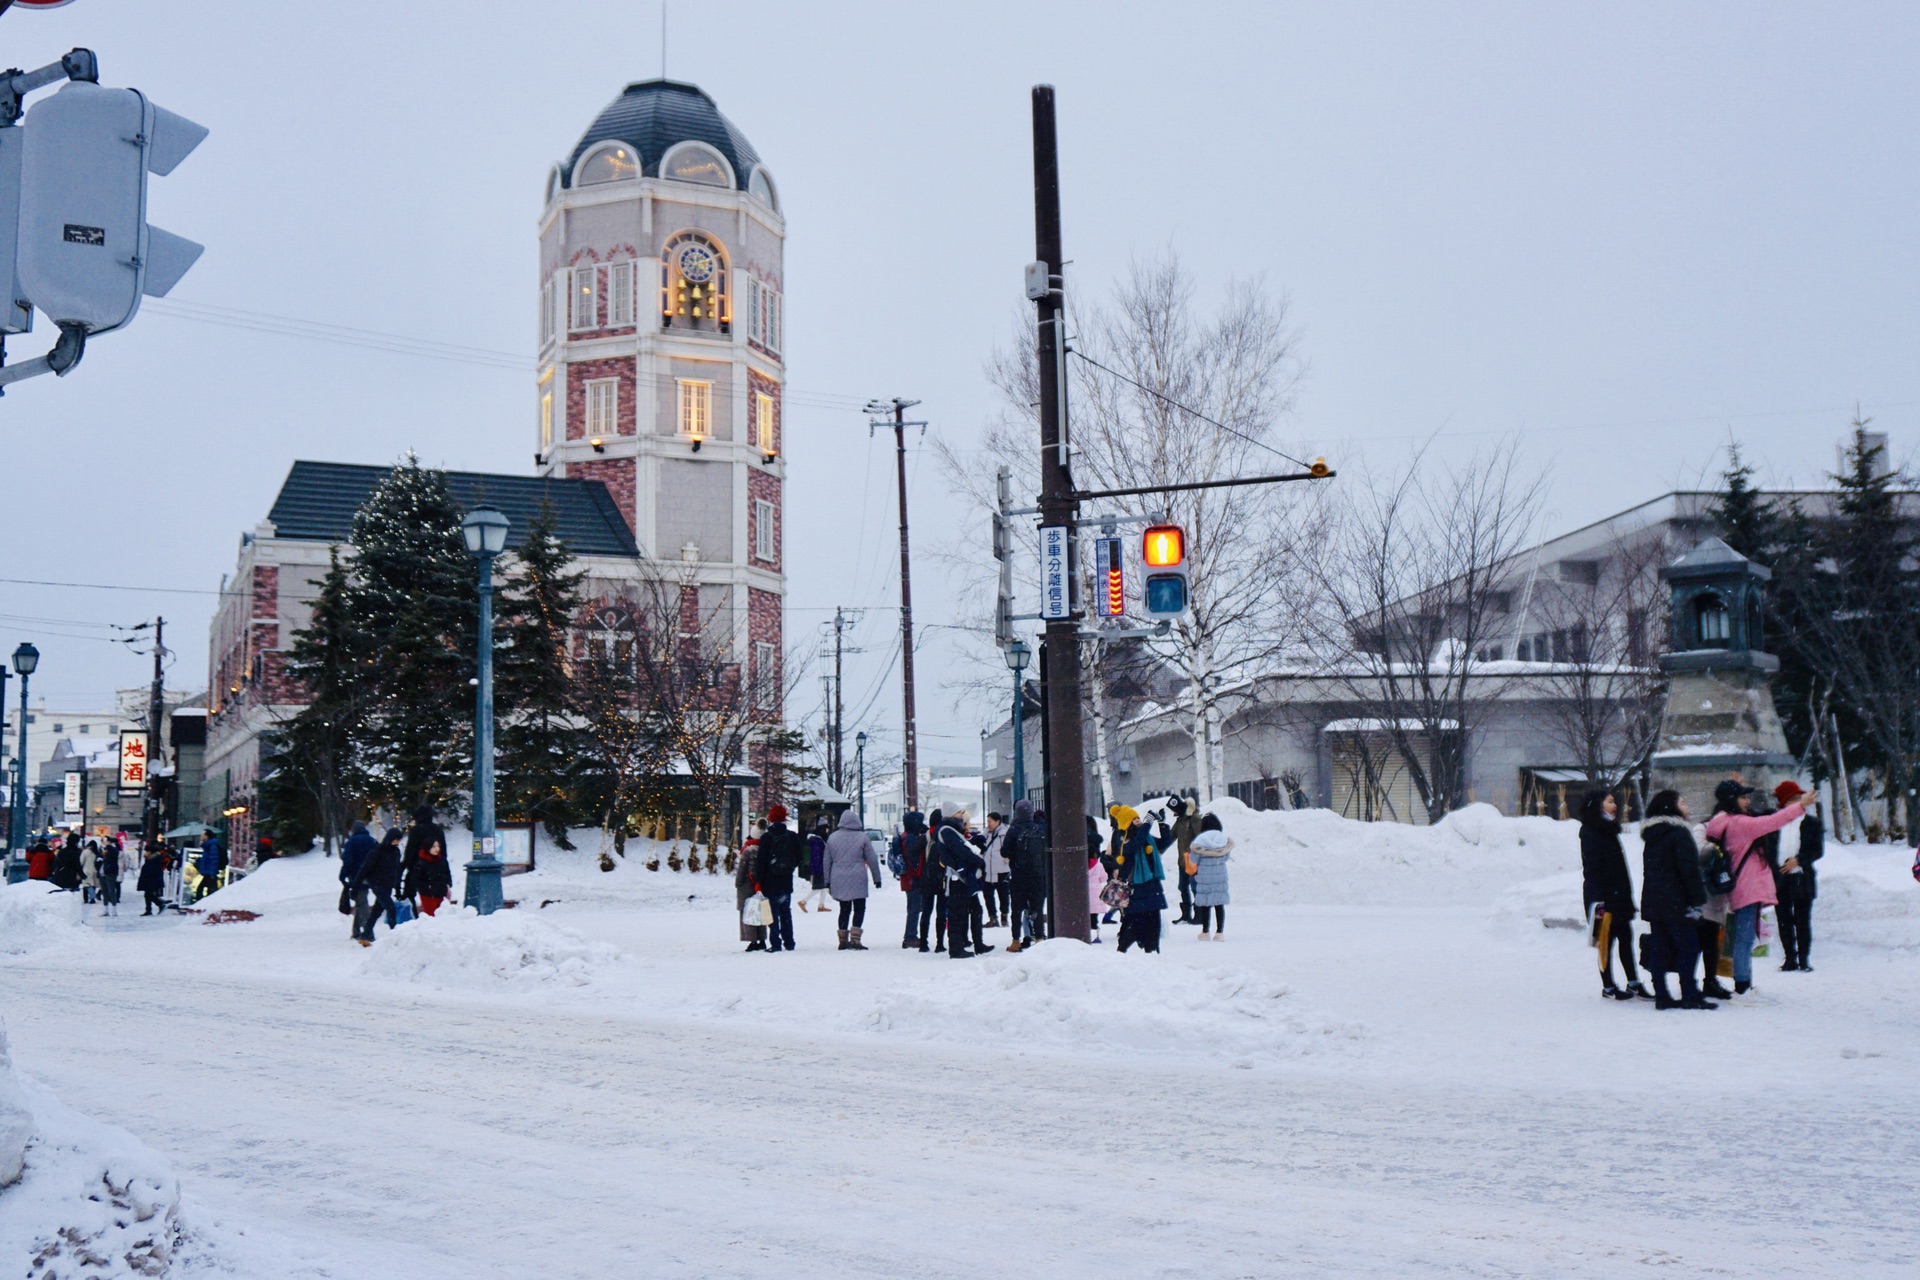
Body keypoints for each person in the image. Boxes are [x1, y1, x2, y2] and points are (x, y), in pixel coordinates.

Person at [1703, 780, 1809, 996]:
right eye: (1743, 797)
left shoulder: (1725, 822)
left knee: (1744, 937)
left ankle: (1744, 982)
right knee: (1744, 939)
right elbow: (1772, 821)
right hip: (1748, 886)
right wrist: (1801, 806)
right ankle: (1742, 985)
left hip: (1742, 885)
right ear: (1732, 801)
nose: (1748, 801)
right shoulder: (1740, 824)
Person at [1639, 789, 1715, 1010]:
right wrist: (1697, 899)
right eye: (1682, 802)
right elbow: (1688, 870)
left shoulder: (1652, 835)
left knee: (1660, 947)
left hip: (1655, 899)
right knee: (1689, 947)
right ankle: (1690, 993)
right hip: (1677, 900)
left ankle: (1661, 994)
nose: (1687, 807)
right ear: (1670, 807)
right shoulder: (1679, 833)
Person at [1579, 790, 1650, 1001]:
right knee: (1605, 941)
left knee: (1625, 938)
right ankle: (1608, 986)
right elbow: (1593, 868)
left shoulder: (1609, 829)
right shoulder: (1590, 830)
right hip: (1603, 896)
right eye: (1610, 801)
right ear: (1598, 805)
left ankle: (1633, 982)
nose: (1615, 805)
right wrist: (1600, 901)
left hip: (1619, 894)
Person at [1770, 781, 1822, 972]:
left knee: (1802, 919)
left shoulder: (1811, 823)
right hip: (1780, 877)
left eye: (1797, 799)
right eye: (1791, 800)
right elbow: (1770, 849)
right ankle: (1789, 957)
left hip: (1801, 875)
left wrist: (1799, 860)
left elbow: (1817, 850)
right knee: (1783, 919)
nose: (1796, 803)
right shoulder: (1775, 823)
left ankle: (1804, 958)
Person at [1109, 806, 1167, 954]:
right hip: (1136, 887)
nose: (1138, 821)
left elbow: (1164, 843)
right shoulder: (1123, 838)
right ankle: (1121, 951)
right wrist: (1148, 823)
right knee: (1135, 923)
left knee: (1154, 921)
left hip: (1152, 884)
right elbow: (1134, 846)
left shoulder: (1145, 836)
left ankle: (1152, 952)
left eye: (1138, 818)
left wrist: (1162, 823)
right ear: (1127, 822)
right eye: (1134, 819)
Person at [822, 809, 883, 949]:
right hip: (858, 877)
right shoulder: (862, 837)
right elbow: (872, 859)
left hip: (838, 876)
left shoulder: (833, 837)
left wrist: (827, 880)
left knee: (844, 908)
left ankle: (842, 939)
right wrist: (877, 878)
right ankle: (855, 939)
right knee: (859, 907)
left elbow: (826, 860)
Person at [935, 809, 989, 958]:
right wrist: (978, 861)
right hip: (958, 878)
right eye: (959, 812)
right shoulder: (947, 831)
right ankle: (957, 948)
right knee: (958, 914)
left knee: (973, 910)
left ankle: (975, 944)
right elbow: (959, 851)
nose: (962, 815)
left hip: (961, 877)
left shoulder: (948, 830)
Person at [751, 805, 804, 952]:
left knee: (772, 912)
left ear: (771, 818)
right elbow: (799, 857)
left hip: (770, 881)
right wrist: (789, 867)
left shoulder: (767, 837)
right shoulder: (792, 836)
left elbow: (761, 862)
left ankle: (775, 943)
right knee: (785, 911)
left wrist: (758, 881)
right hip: (786, 881)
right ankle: (789, 942)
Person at [1004, 799, 1049, 952]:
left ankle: (1016, 941)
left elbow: (1004, 851)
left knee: (1017, 910)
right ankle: (1039, 939)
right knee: (1036, 908)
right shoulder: (1040, 829)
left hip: (1018, 876)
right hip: (1037, 876)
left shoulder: (1013, 830)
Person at [350, 828, 404, 945]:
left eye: (399, 840)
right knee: (390, 908)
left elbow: (396, 871)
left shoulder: (396, 852)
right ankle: (395, 935)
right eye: (395, 840)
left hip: (388, 885)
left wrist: (398, 888)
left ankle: (365, 934)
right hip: (377, 884)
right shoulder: (377, 851)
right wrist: (355, 887)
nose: (397, 843)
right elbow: (365, 869)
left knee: (376, 911)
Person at [896, 811, 935, 951]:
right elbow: (914, 859)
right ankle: (910, 937)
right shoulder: (911, 839)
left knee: (913, 907)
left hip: (907, 878)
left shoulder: (905, 836)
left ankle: (911, 935)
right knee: (915, 908)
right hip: (913, 878)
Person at [1189, 826, 1231, 940]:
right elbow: (1227, 857)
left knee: (1205, 905)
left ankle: (1205, 931)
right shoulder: (1222, 841)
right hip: (1220, 877)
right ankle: (1219, 932)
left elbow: (1193, 860)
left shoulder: (1201, 842)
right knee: (1219, 905)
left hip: (1205, 878)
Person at [1165, 795, 1201, 924]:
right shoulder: (1180, 821)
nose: (1172, 812)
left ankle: (1199, 915)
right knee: (1182, 887)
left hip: (1193, 860)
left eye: (1173, 809)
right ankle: (1186, 914)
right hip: (1182, 861)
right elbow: (1170, 837)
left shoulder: (1194, 819)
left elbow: (1201, 837)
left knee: (1195, 887)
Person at [340, 821, 378, 939]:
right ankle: (356, 931)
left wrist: (343, 875)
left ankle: (368, 932)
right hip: (370, 876)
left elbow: (348, 861)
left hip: (356, 877)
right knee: (360, 901)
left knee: (362, 903)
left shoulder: (351, 842)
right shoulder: (372, 841)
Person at [401, 803, 447, 892]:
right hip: (436, 865)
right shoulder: (437, 829)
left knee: (410, 890)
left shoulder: (416, 830)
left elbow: (410, 850)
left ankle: (411, 903)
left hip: (418, 865)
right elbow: (443, 849)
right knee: (433, 893)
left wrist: (408, 864)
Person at [735, 829, 767, 953]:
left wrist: (738, 884)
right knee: (761, 912)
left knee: (748, 912)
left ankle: (752, 940)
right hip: (760, 886)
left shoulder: (748, 850)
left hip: (747, 886)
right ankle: (762, 939)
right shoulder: (765, 849)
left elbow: (741, 871)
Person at [405, 837, 453, 916]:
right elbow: (415, 880)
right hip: (428, 896)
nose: (437, 849)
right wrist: (427, 887)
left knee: (443, 917)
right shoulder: (421, 862)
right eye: (434, 846)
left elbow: (447, 873)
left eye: (438, 846)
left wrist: (448, 883)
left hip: (442, 893)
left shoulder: (442, 860)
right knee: (431, 918)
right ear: (428, 847)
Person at [980, 812, 1012, 928]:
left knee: (1003, 894)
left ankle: (1004, 916)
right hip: (988, 869)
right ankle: (993, 917)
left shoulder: (1004, 834)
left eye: (990, 821)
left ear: (997, 821)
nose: (988, 824)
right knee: (988, 894)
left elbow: (1009, 849)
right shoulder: (986, 834)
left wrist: (1007, 859)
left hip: (1001, 869)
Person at [800, 819, 832, 914]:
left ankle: (821, 905)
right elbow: (817, 856)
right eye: (826, 828)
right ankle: (803, 901)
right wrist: (818, 869)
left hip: (821, 866)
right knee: (819, 887)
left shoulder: (817, 839)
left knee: (825, 886)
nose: (827, 830)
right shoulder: (818, 840)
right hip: (820, 867)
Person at [137, 842, 168, 916]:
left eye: (146, 851)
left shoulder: (153, 860)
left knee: (148, 894)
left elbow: (151, 871)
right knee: (148, 894)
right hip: (151, 880)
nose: (145, 853)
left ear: (150, 852)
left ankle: (158, 905)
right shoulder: (151, 859)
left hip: (152, 880)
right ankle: (154, 906)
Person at [96, 839, 122, 916]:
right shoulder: (102, 851)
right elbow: (97, 860)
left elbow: (114, 853)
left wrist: (108, 846)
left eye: (106, 841)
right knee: (104, 891)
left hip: (110, 872)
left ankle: (114, 909)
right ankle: (105, 909)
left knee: (111, 890)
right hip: (102, 872)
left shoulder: (113, 850)